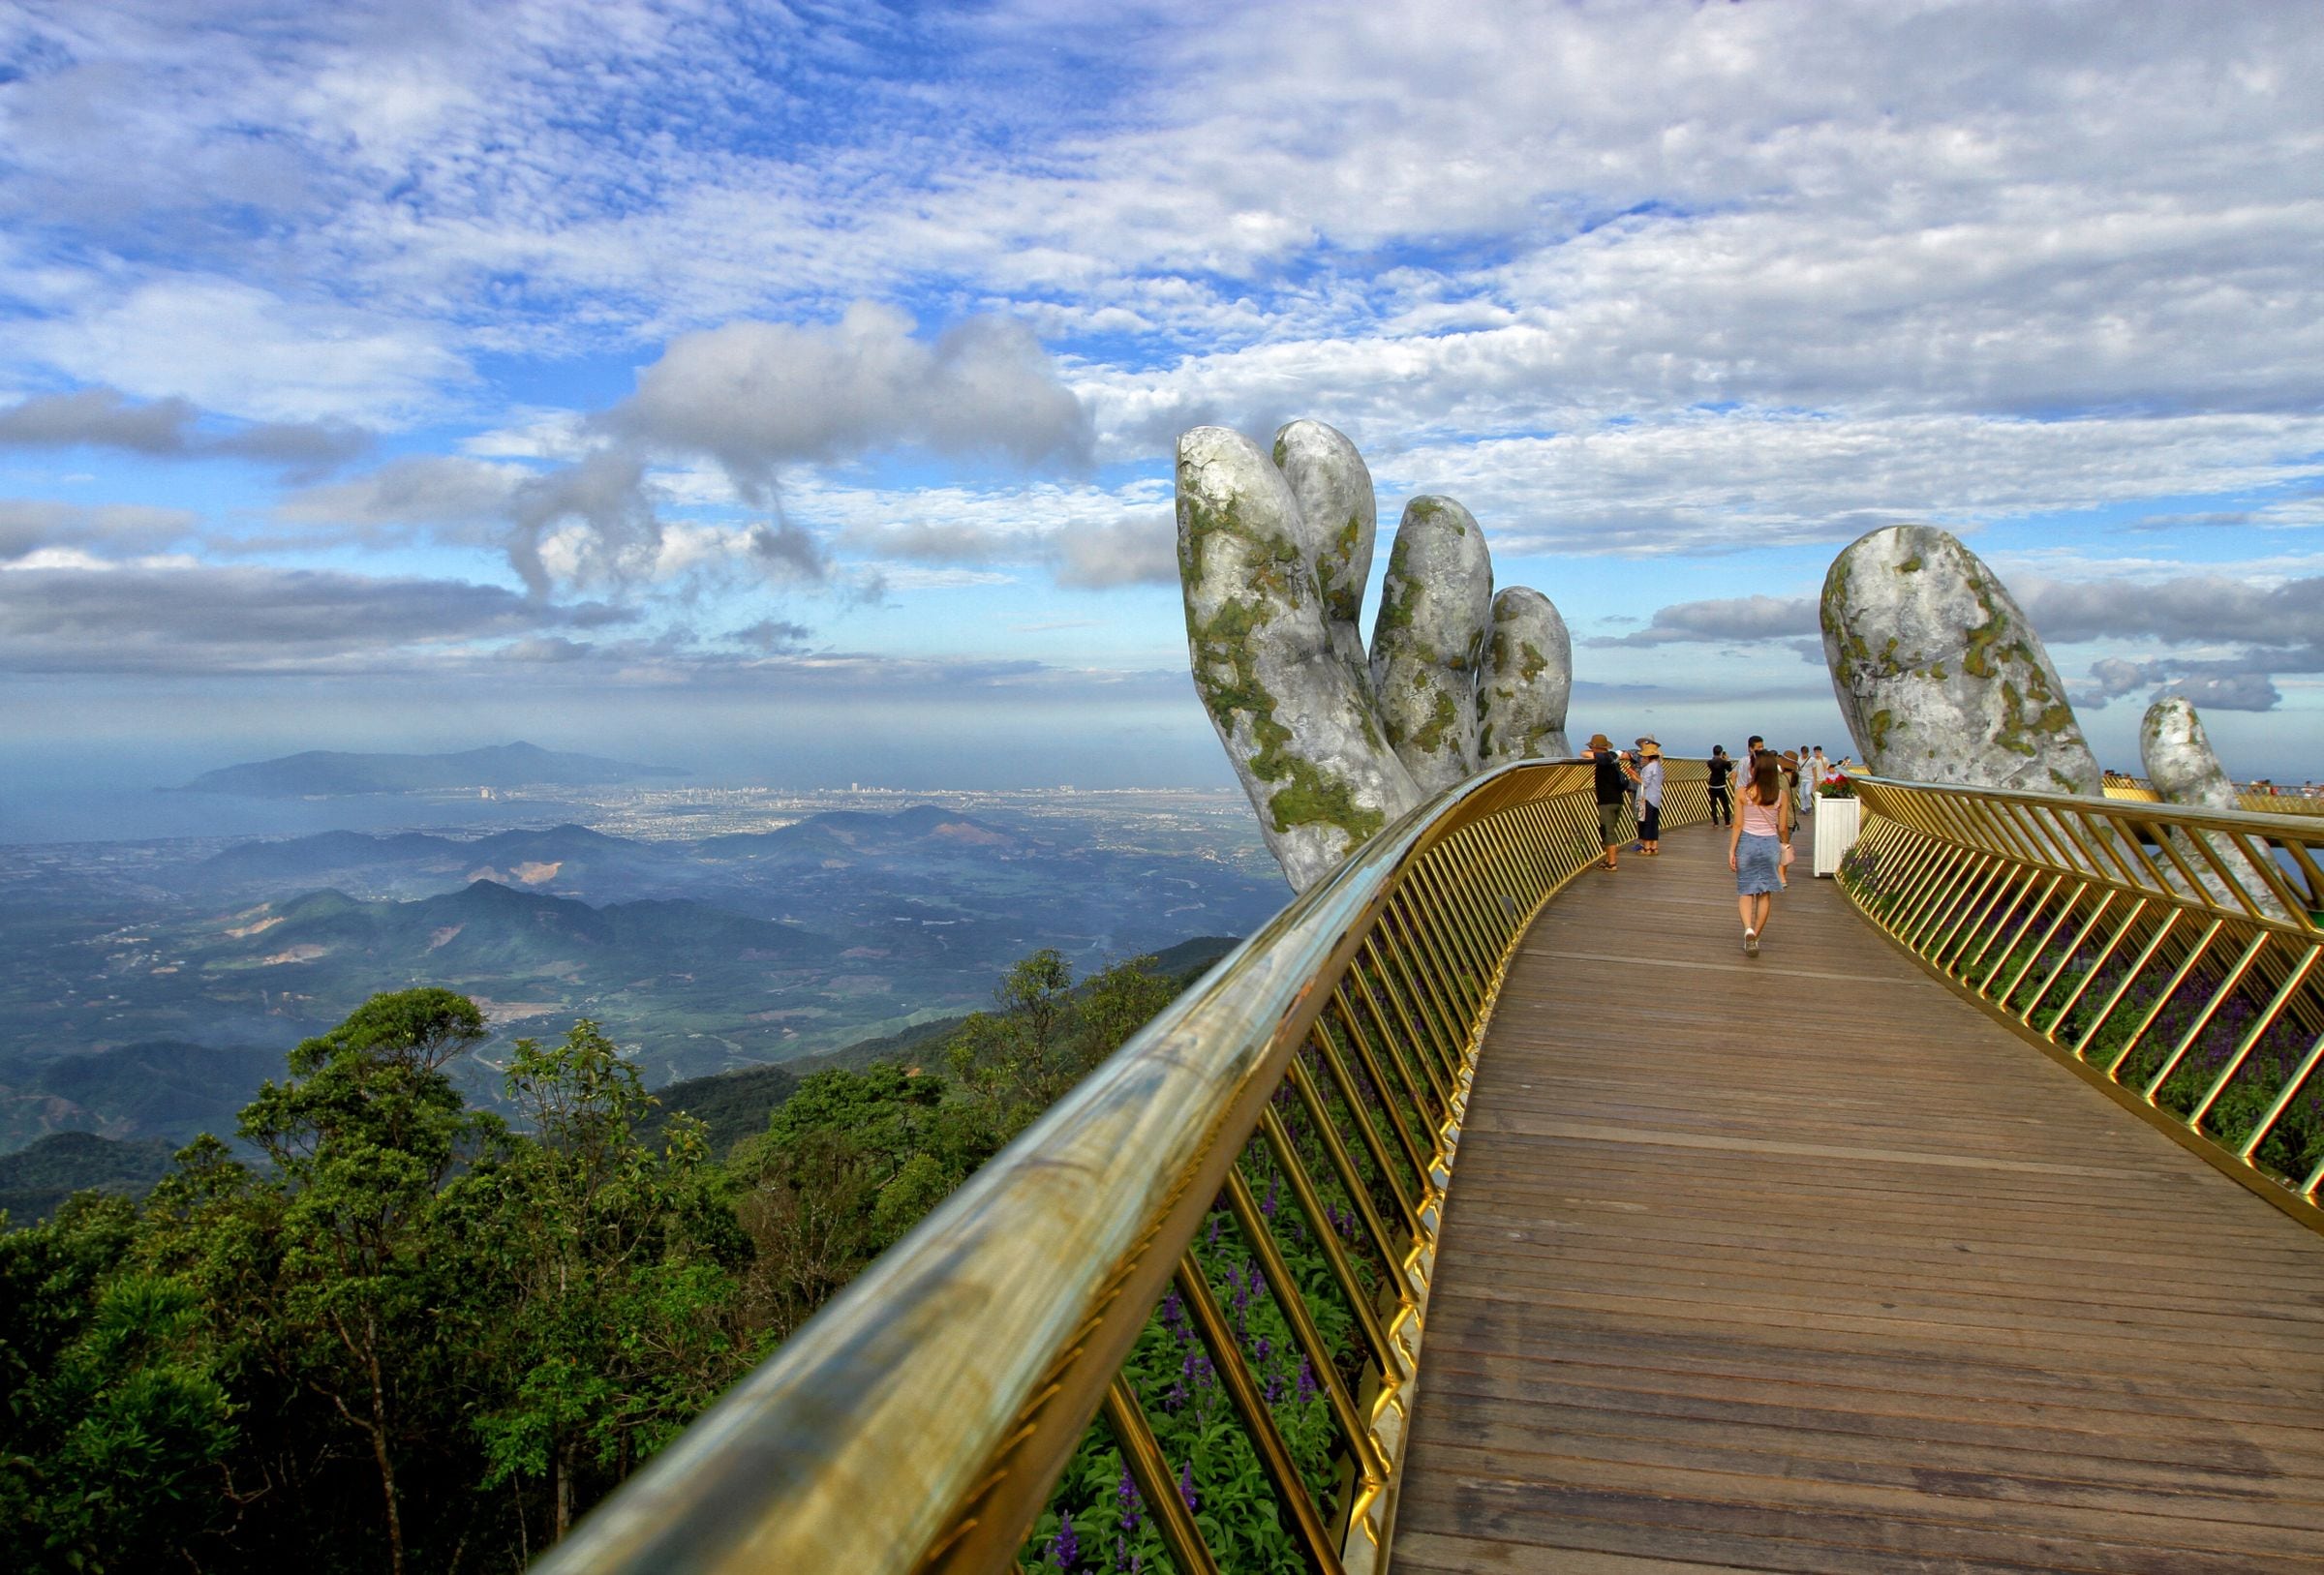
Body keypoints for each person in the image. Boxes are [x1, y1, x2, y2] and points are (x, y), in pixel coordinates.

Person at [1728, 750, 1792, 956]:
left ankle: (1747, 929)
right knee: (1764, 893)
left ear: (1753, 769)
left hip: (1747, 843)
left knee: (1746, 891)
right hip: (1769, 845)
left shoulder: (1742, 793)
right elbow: (1782, 826)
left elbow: (1737, 824)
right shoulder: (1780, 796)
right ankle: (1755, 934)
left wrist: (1732, 850)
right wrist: (1784, 843)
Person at [1586, 732, 1635, 871]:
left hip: (1607, 801)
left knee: (1607, 831)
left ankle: (1612, 863)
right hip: (1617, 799)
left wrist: (1592, 752)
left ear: (1595, 748)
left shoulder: (1604, 759)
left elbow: (1585, 754)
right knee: (1609, 829)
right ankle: (1608, 860)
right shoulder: (1613, 758)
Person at [1635, 740, 1665, 855]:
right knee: (1653, 822)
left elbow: (1644, 783)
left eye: (1644, 757)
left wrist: (1635, 777)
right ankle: (1654, 847)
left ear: (1648, 757)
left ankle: (1646, 847)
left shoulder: (1649, 768)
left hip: (1647, 797)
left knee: (1646, 822)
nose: (1642, 759)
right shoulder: (1659, 767)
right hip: (1656, 797)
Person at [1706, 744, 1734, 826]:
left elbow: (1713, 764)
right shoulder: (1724, 762)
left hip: (1712, 785)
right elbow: (1730, 769)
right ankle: (1727, 822)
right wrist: (1727, 760)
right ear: (1721, 752)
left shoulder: (1710, 762)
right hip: (1721, 786)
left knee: (1713, 804)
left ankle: (1715, 823)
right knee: (1725, 804)